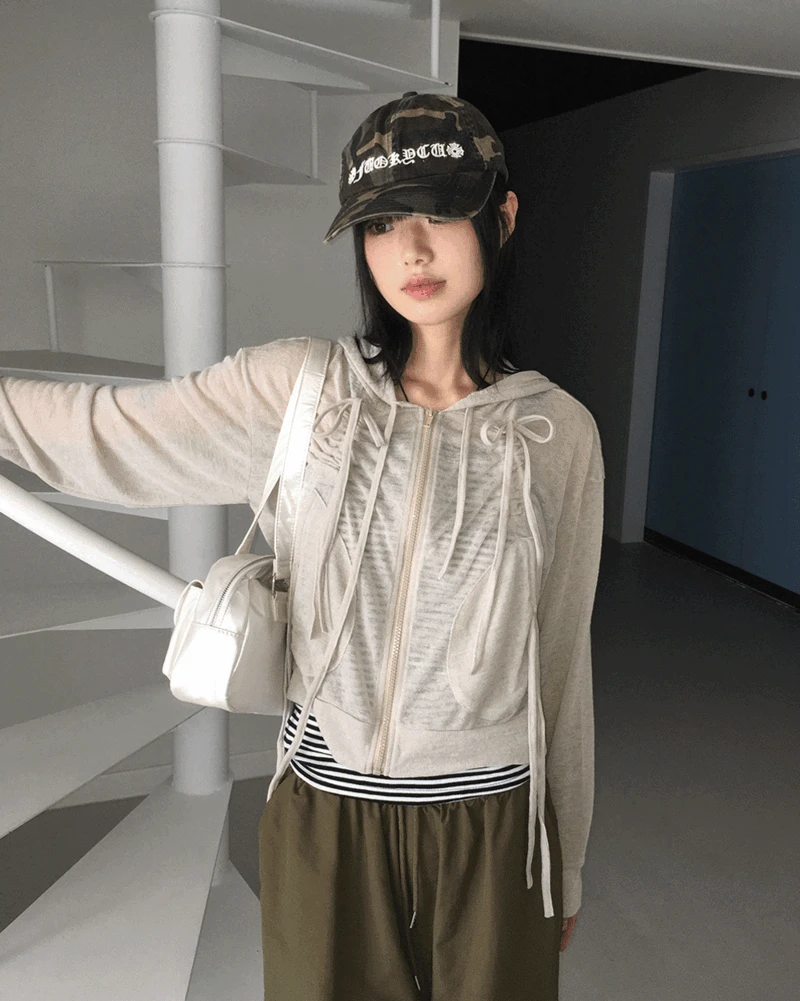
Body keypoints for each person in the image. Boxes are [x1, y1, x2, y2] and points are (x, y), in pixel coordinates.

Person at [0, 91, 604, 1001]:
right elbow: (110, 430)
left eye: (441, 212)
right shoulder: (302, 393)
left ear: (503, 217)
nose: (411, 250)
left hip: (493, 830)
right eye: (382, 223)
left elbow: (559, 659)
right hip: (327, 819)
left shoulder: (559, 434)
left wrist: (570, 854)